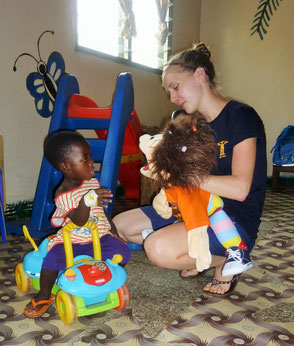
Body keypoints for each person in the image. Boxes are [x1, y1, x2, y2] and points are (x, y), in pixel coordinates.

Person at [112, 42, 267, 296]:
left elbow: (240, 189)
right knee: (122, 225)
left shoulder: (241, 117)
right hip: (192, 209)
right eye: (168, 92)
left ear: (200, 75)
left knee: (157, 248)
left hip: (231, 220)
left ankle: (229, 257)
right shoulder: (193, 125)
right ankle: (197, 251)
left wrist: (185, 176)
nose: (173, 98)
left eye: (175, 87)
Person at [24, 130, 131, 318]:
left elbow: (102, 212)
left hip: (99, 237)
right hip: (73, 241)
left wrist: (113, 232)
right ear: (66, 166)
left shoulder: (92, 183)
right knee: (51, 261)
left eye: (90, 157)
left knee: (123, 252)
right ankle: (44, 294)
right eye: (85, 159)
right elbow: (79, 220)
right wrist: (88, 200)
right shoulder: (62, 194)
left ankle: (106, 278)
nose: (91, 163)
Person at [139, 112, 253, 277]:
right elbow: (165, 200)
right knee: (128, 226)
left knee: (217, 220)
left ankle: (235, 253)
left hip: (209, 207)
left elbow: (196, 222)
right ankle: (181, 247)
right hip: (185, 209)